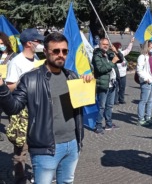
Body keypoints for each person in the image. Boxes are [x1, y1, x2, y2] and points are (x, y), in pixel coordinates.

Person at [0, 32, 93, 183]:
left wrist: (86, 84)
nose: (61, 55)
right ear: (45, 52)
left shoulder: (72, 76)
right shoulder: (30, 79)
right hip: (45, 148)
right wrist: (2, 88)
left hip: (72, 144)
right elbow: (13, 108)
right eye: (56, 51)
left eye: (64, 51)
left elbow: (83, 105)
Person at [5, 28, 44, 183]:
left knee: (39, 143)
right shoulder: (16, 61)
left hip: (39, 107)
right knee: (22, 147)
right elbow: (9, 86)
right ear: (29, 43)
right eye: (38, 41)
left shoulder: (36, 58)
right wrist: (26, 80)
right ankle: (20, 178)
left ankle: (39, 174)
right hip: (23, 111)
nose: (41, 44)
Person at [92, 38, 123, 134]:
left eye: (107, 44)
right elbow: (101, 69)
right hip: (103, 84)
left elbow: (121, 59)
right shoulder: (97, 56)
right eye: (103, 44)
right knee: (102, 106)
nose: (105, 46)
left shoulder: (109, 54)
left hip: (112, 84)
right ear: (100, 44)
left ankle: (109, 124)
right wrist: (112, 62)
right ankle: (98, 125)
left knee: (109, 105)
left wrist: (116, 51)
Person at [137, 40, 152, 126]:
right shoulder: (142, 57)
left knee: (150, 101)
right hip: (147, 81)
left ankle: (148, 117)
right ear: (147, 47)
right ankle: (141, 119)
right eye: (151, 47)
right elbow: (139, 70)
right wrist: (145, 78)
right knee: (144, 100)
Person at [0, 32, 17, 142]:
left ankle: (15, 132)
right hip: (0, 85)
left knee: (12, 111)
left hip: (10, 86)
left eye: (1, 43)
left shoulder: (14, 56)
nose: (0, 46)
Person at [113, 37, 134, 105]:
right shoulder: (114, 55)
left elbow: (128, 50)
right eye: (119, 47)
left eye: (120, 47)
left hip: (123, 74)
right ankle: (115, 100)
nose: (120, 48)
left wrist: (131, 42)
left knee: (122, 87)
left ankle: (121, 99)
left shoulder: (122, 53)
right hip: (117, 74)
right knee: (116, 88)